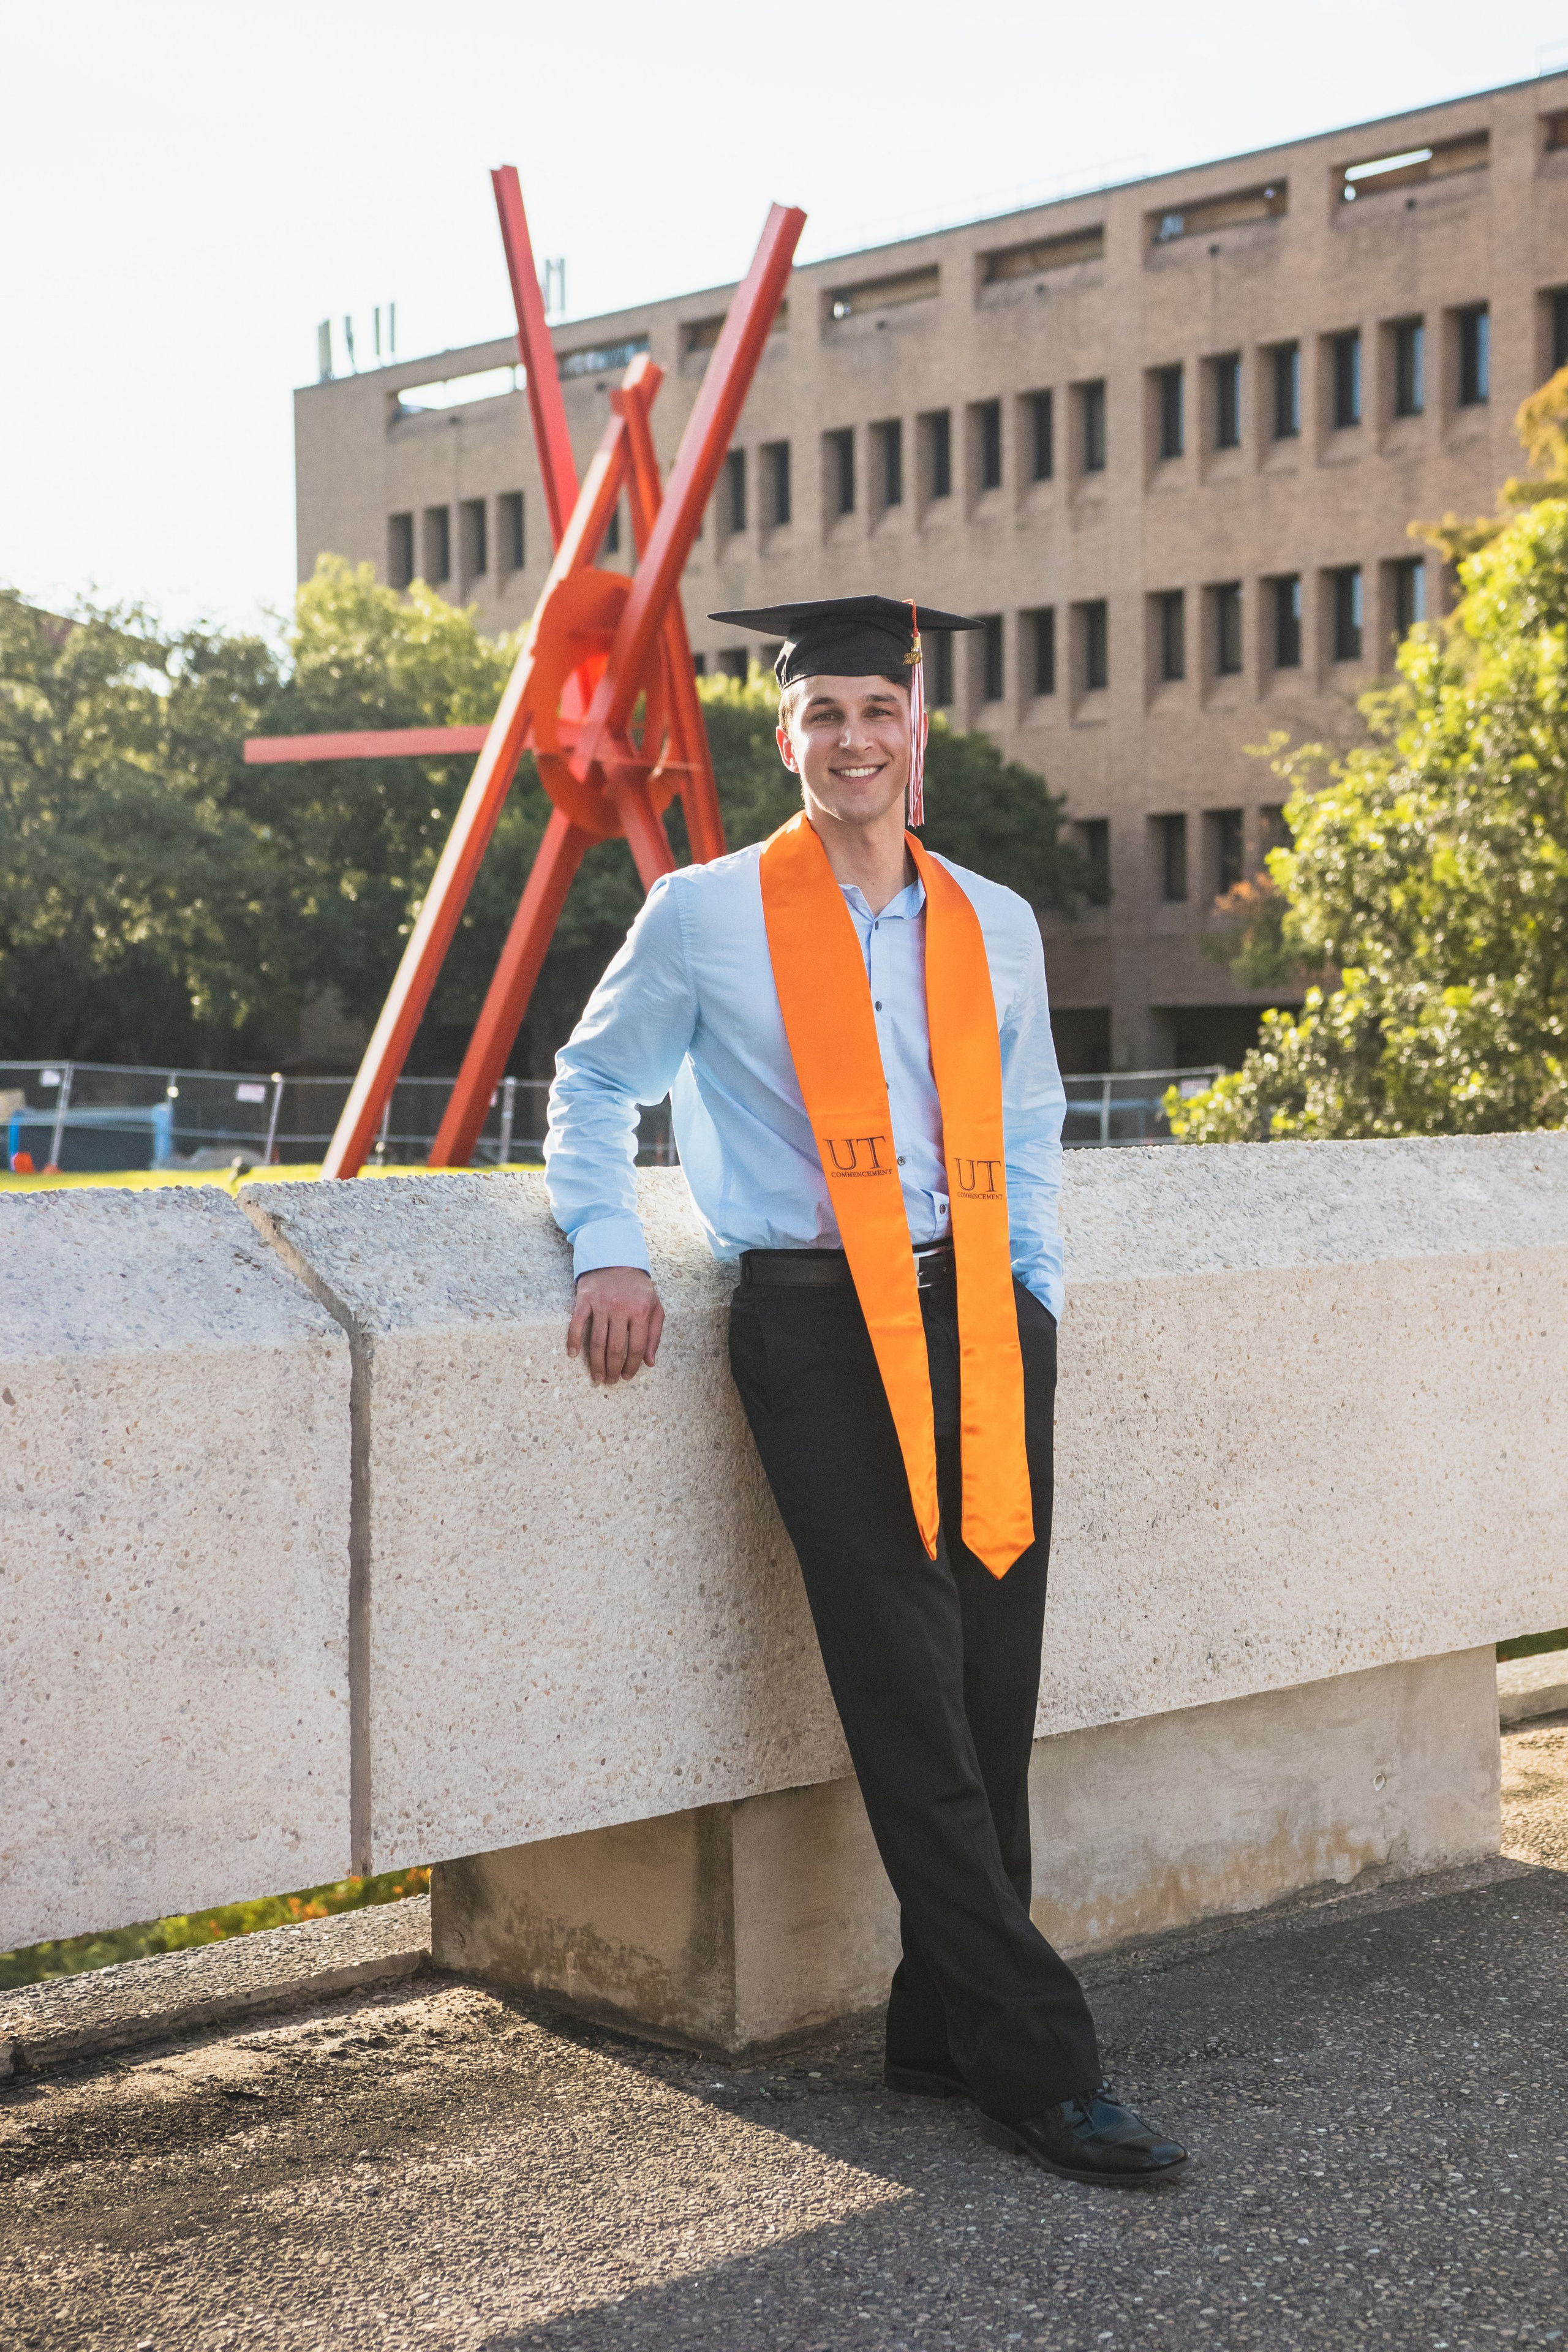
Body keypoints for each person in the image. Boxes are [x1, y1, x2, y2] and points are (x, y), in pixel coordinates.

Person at [543, 594, 1186, 2187]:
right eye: (822, 716)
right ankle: (1038, 2064)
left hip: (980, 1307)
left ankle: (934, 2022)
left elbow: (1027, 1123)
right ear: (789, 740)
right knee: (906, 1684)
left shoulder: (996, 920)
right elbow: (592, 1078)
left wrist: (1028, 1293)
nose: (852, 741)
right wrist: (607, 1246)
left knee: (992, 1675)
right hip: (821, 1322)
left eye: (876, 713)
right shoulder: (707, 913)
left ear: (917, 730)